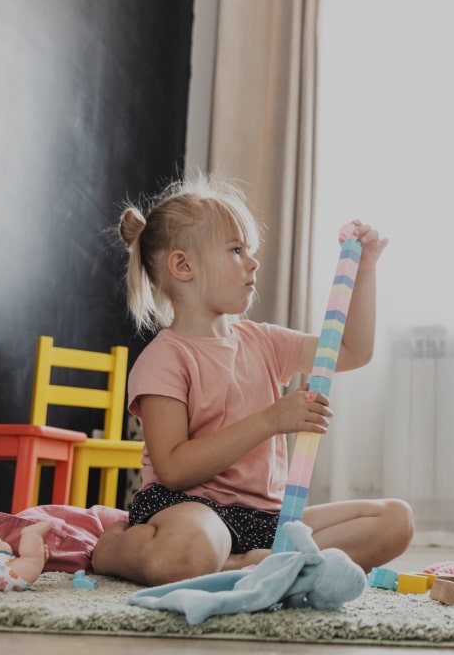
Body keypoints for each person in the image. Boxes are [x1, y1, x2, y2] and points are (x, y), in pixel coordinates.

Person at [90, 173, 413, 586]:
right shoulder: (164, 358)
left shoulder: (263, 341)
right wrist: (271, 420)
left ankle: (250, 561)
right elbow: (172, 469)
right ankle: (115, 547)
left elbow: (352, 350)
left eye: (250, 251)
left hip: (267, 518)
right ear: (184, 266)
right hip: (188, 509)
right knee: (187, 552)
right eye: (236, 250)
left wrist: (364, 271)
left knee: (395, 520)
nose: (253, 262)